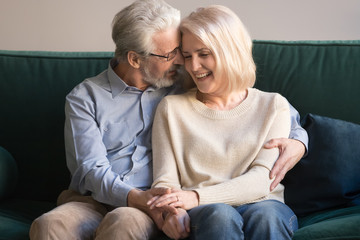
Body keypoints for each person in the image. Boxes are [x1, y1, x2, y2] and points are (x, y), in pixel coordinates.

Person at [29, 0, 307, 239]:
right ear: (135, 59)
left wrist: (299, 140)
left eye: (181, 52)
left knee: (124, 222)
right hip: (97, 199)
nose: (182, 62)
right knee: (48, 225)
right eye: (173, 54)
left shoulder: (185, 79)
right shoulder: (85, 97)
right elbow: (90, 168)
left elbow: (254, 103)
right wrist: (146, 199)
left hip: (152, 201)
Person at [149, 5, 300, 239]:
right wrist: (173, 211)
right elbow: (166, 180)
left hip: (263, 204)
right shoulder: (171, 109)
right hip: (206, 214)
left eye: (204, 54)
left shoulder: (273, 106)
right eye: (188, 56)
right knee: (221, 216)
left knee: (266, 216)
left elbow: (264, 180)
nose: (193, 66)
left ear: (230, 50)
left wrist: (196, 197)